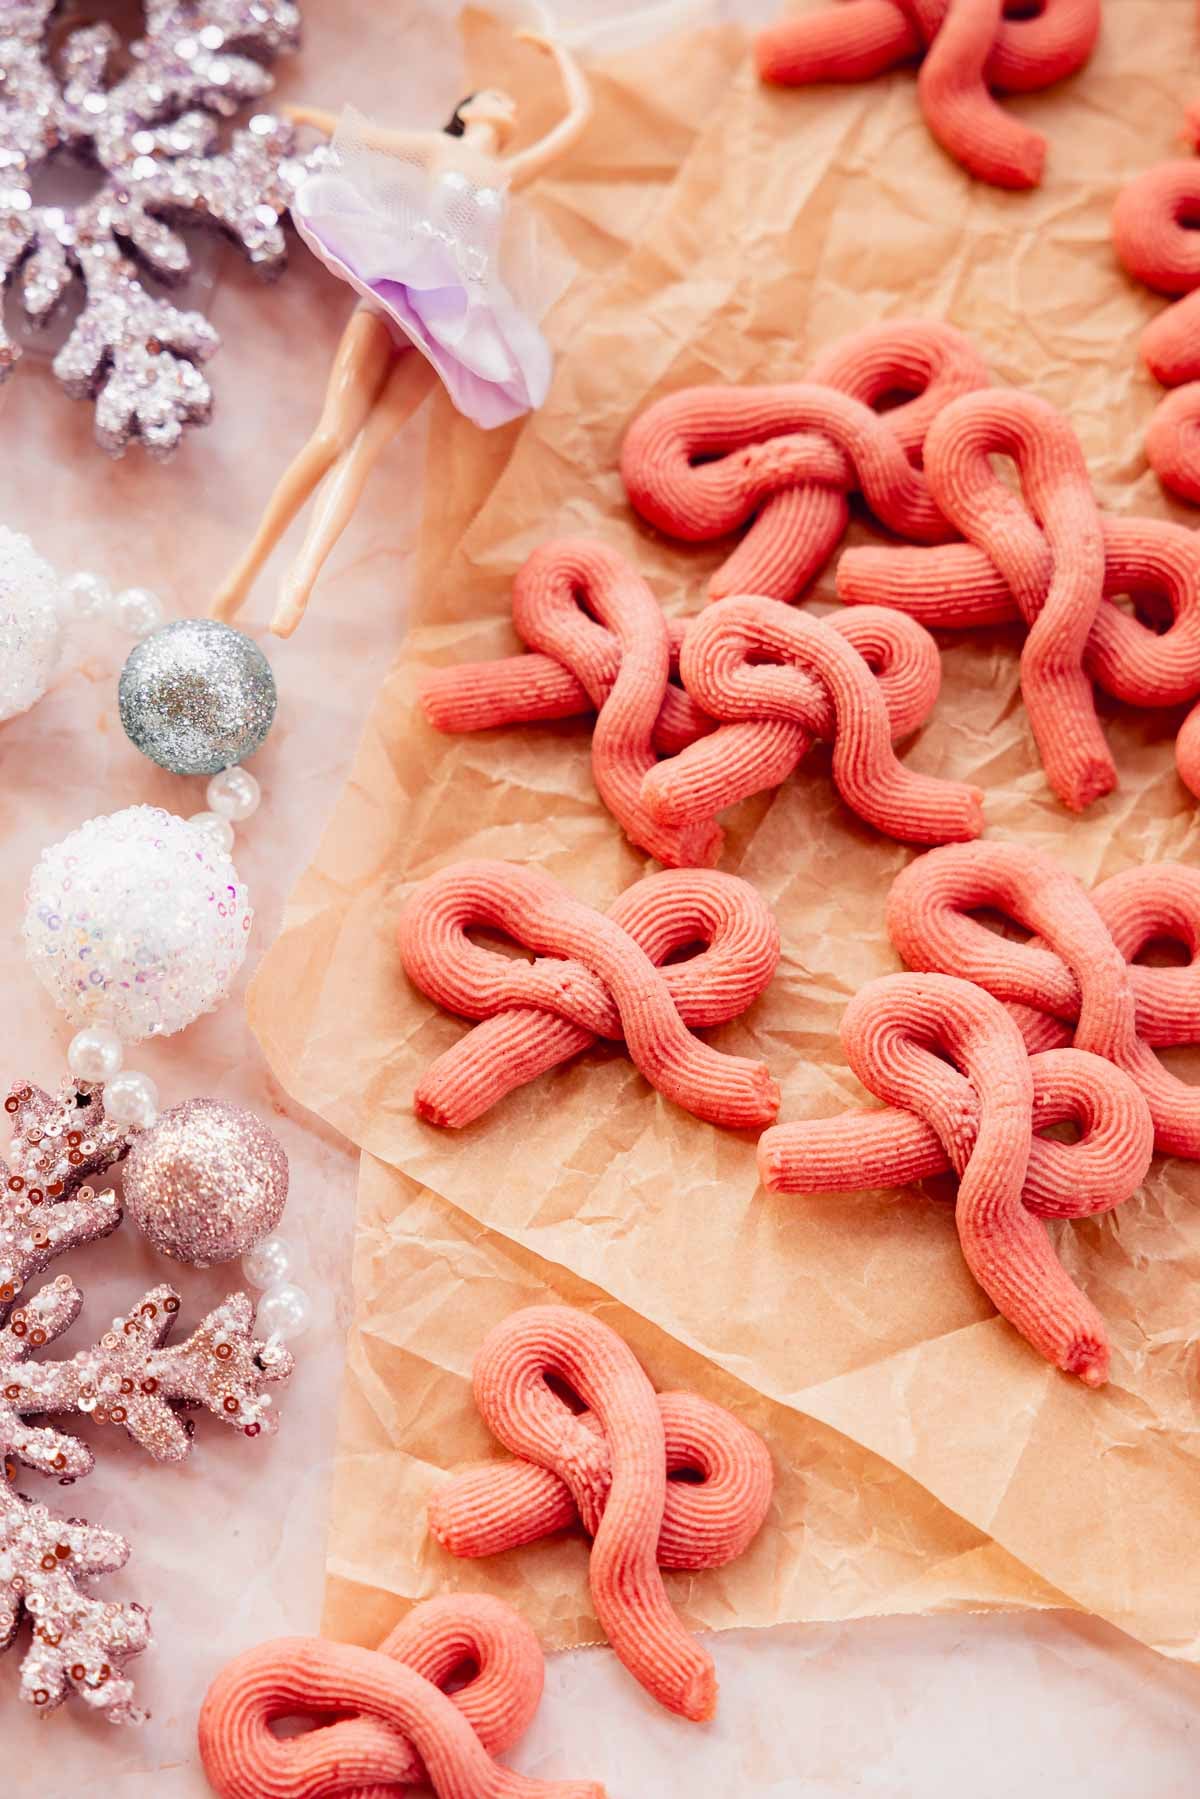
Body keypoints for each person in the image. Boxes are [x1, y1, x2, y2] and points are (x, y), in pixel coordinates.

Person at [211, 25, 591, 638]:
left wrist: (562, 54)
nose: (509, 106)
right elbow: (371, 139)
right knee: (332, 436)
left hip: (451, 322)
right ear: (468, 110)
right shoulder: (441, 150)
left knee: (368, 447)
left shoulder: (507, 172)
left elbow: (577, 122)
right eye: (496, 96)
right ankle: (242, 574)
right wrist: (307, 115)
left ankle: (299, 582)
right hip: (397, 294)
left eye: (511, 103)